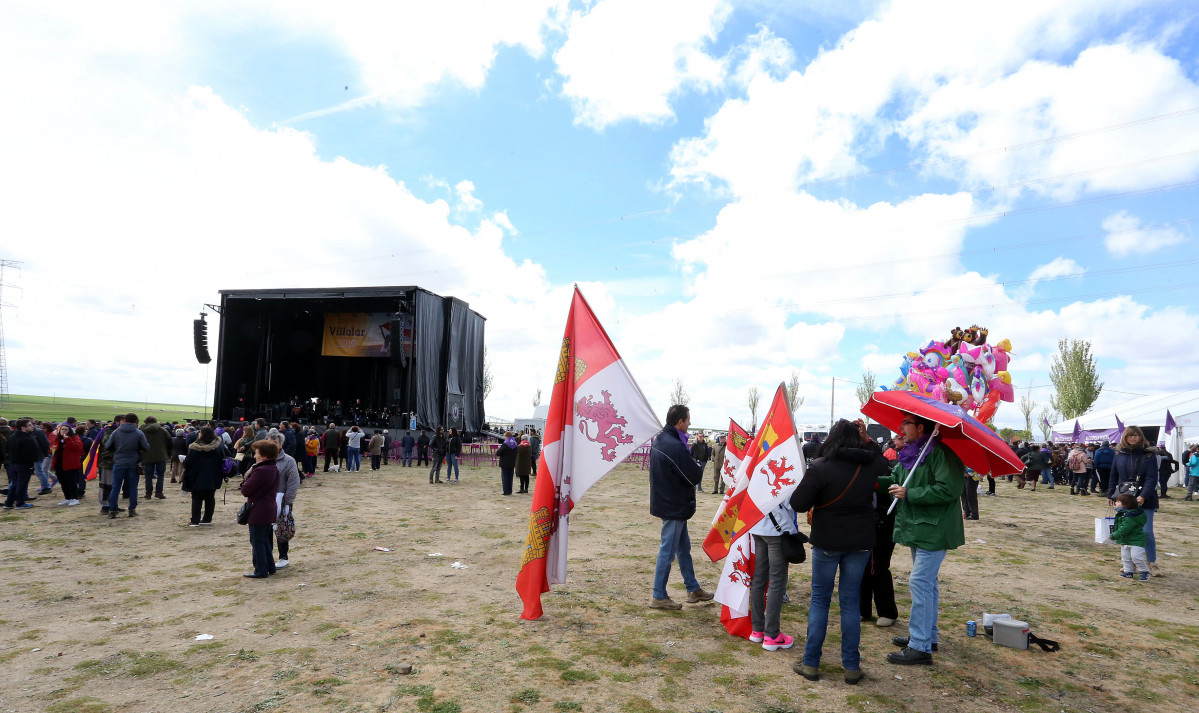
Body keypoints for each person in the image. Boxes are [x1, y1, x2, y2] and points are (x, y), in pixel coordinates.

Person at [790, 419, 885, 684]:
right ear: (859, 439)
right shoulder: (868, 465)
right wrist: (868, 441)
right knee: (850, 602)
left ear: (831, 437)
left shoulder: (821, 467)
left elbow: (798, 503)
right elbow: (883, 463)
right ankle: (851, 667)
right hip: (860, 541)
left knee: (820, 599)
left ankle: (811, 662)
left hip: (828, 541)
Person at [877, 412, 965, 665]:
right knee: (928, 584)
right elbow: (895, 481)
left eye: (906, 423)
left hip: (935, 529)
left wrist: (910, 493)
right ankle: (928, 636)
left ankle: (920, 646)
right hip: (920, 527)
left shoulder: (941, 453)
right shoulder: (913, 452)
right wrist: (869, 483)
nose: (901, 427)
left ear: (921, 427)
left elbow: (949, 489)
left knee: (920, 582)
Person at [647, 404, 713, 610]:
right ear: (679, 421)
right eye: (688, 419)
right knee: (668, 550)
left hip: (671, 502)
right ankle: (658, 595)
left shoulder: (661, 440)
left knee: (683, 548)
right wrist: (693, 464)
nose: (690, 423)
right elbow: (694, 475)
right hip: (673, 505)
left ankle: (693, 588)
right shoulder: (674, 445)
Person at [1107, 426, 1162, 577]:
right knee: (1126, 529)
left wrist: (1143, 496)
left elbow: (1152, 478)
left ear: (1140, 437)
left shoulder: (1149, 454)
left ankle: (1152, 563)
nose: (1133, 438)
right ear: (1125, 437)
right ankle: (1130, 564)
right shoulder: (1118, 454)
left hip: (1146, 498)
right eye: (1130, 435)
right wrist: (1111, 494)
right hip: (1125, 498)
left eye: (1136, 435)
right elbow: (1113, 475)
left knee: (1146, 531)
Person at [240, 440, 280, 578]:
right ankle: (269, 566)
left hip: (259, 510)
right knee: (264, 540)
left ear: (264, 456)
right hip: (267, 508)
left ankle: (261, 570)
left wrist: (248, 475)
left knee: (257, 541)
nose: (254, 455)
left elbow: (245, 490)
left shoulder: (262, 470)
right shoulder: (272, 467)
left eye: (256, 453)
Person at [106, 413, 149, 519]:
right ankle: (132, 509)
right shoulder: (139, 433)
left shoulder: (116, 432)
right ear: (136, 421)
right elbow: (146, 447)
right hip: (133, 463)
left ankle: (112, 510)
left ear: (124, 420)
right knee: (133, 487)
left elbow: (107, 446)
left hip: (119, 462)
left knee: (115, 487)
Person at [267, 430, 300, 568]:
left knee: (281, 530)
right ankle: (267, 557)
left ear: (280, 444)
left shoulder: (288, 461)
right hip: (265, 501)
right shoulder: (263, 458)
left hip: (281, 501)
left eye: (274, 442)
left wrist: (288, 501)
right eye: (269, 442)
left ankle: (283, 557)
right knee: (265, 531)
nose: (271, 445)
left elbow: (294, 482)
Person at [182, 426, 227, 526]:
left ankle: (195, 520)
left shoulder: (194, 448)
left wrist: (184, 462)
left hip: (197, 475)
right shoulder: (218, 446)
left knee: (197, 498)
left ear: (202, 434)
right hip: (214, 475)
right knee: (210, 497)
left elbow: (187, 463)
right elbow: (224, 458)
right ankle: (207, 519)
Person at [1111, 492, 1149, 581]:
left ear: (1125, 505)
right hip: (1125, 540)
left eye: (1117, 502)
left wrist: (1113, 536)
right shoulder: (1123, 514)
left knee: (1136, 557)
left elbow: (1124, 529)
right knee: (1125, 557)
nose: (1115, 503)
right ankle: (1128, 572)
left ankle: (1144, 572)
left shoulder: (1130, 517)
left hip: (1136, 541)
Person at [3, 419, 40, 510]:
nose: (32, 426)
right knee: (22, 484)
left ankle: (9, 503)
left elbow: (7, 450)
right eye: (29, 425)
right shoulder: (26, 439)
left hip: (13, 463)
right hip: (23, 464)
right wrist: (30, 465)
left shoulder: (13, 436)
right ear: (23, 427)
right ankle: (20, 503)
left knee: (14, 484)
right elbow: (28, 454)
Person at [51, 424, 84, 506]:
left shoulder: (74, 438)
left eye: (66, 429)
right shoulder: (58, 439)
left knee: (71, 482)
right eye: (62, 429)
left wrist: (68, 440)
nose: (64, 431)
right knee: (63, 482)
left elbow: (76, 448)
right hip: (59, 464)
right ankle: (68, 498)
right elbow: (52, 449)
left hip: (70, 464)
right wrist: (52, 449)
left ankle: (75, 498)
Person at [140, 416, 171, 500]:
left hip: (146, 455)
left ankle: (148, 493)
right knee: (161, 475)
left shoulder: (141, 431)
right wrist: (169, 453)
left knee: (148, 475)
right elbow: (169, 441)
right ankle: (159, 492)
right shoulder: (162, 430)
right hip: (161, 455)